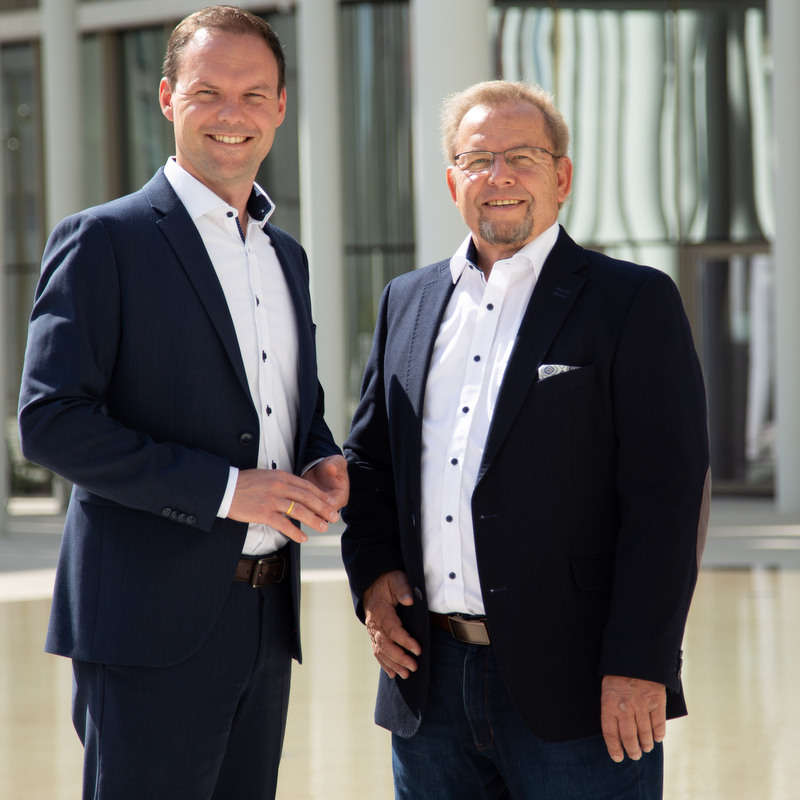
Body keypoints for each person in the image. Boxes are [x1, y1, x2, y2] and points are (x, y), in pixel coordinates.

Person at [341, 80, 710, 800]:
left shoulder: (632, 301)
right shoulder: (405, 300)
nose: (499, 175)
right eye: (478, 159)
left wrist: (642, 662)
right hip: (427, 686)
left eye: (523, 157)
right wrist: (373, 574)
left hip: (581, 689)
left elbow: (668, 501)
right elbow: (370, 460)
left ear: (561, 176)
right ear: (453, 181)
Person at [18, 6, 348, 799]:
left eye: (254, 93)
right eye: (208, 92)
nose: (233, 114)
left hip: (265, 619)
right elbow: (51, 421)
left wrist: (319, 456)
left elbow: (286, 403)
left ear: (280, 106)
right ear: (167, 98)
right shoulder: (105, 240)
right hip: (147, 625)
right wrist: (230, 491)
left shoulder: (286, 256)